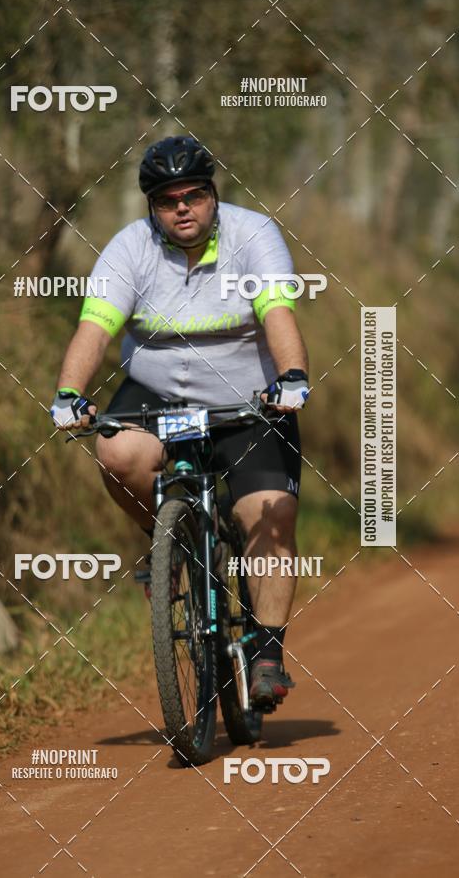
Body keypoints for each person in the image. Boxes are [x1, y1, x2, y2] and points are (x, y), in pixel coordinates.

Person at [51, 135, 309, 711]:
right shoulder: (128, 249)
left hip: (248, 400)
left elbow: (278, 315)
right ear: (152, 207)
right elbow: (94, 332)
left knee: (271, 514)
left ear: (214, 195)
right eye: (169, 200)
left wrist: (291, 377)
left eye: (194, 195)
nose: (183, 208)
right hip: (160, 393)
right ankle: (165, 544)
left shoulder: (254, 235)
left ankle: (266, 653)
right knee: (117, 454)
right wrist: (69, 393)